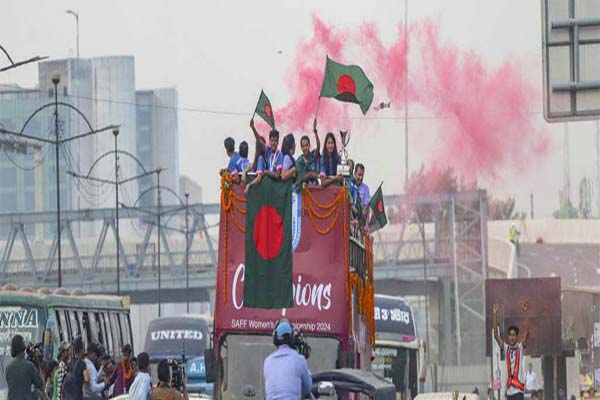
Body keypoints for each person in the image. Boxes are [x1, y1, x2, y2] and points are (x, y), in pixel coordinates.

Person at [263, 319, 312, 400]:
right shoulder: (299, 360)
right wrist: (302, 357)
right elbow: (307, 389)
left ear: (275, 339)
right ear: (292, 338)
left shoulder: (267, 361)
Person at [493, 302, 529, 400]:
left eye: (514, 335)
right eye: (510, 335)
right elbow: (496, 335)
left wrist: (526, 313)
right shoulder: (505, 348)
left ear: (517, 337)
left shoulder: (520, 347)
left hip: (519, 392)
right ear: (508, 337)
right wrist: (495, 314)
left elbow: (526, 332)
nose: (512, 337)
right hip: (509, 392)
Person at [5, 334, 44, 400]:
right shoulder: (29, 366)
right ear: (24, 348)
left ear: (12, 350)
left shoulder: (8, 368)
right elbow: (42, 387)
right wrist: (37, 362)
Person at [296, 119, 321, 185]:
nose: (305, 148)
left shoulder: (312, 155)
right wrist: (310, 174)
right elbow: (300, 178)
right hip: (303, 190)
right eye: (303, 146)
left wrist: (315, 132)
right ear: (301, 148)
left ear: (309, 145)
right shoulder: (299, 161)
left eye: (306, 145)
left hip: (315, 188)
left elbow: (318, 147)